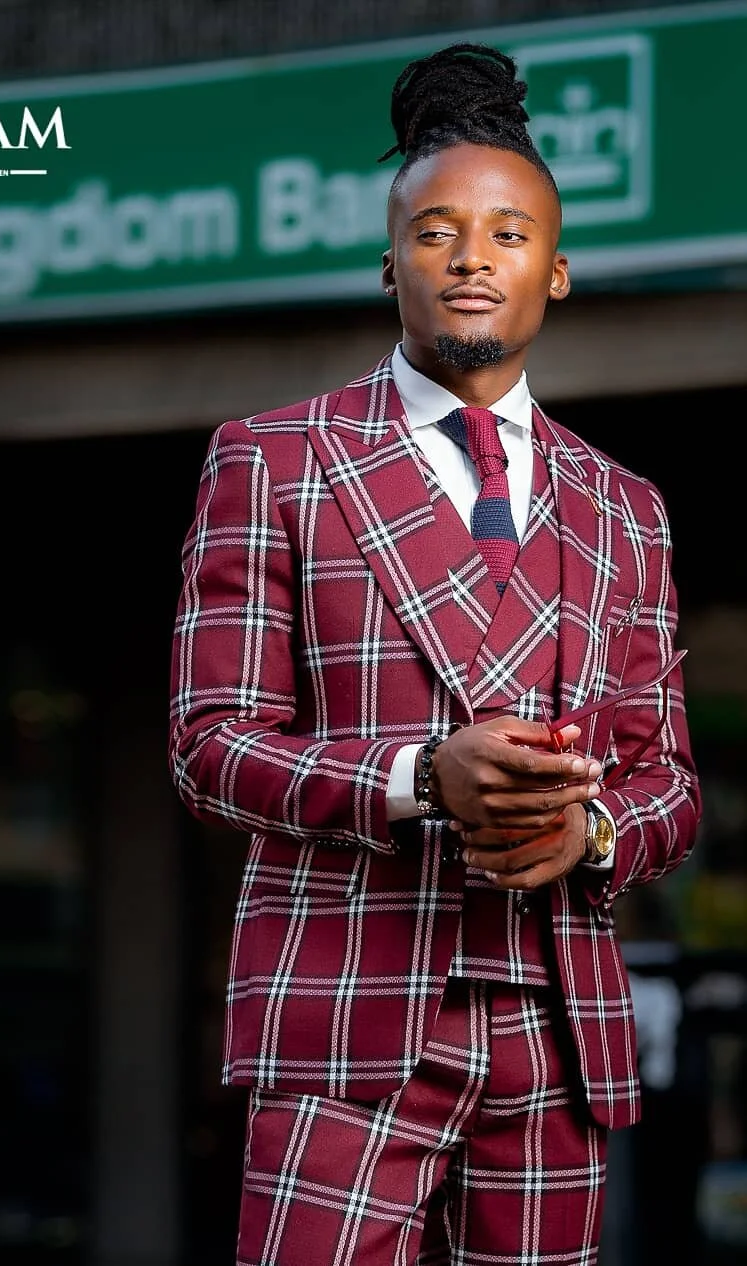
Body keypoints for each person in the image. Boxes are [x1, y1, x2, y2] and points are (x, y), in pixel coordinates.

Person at [167, 41, 702, 1266]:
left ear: (554, 272)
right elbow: (206, 749)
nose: (472, 258)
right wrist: (420, 778)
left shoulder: (626, 507)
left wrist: (595, 833)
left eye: (508, 235)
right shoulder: (276, 460)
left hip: (556, 1023)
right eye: (435, 232)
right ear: (387, 264)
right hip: (344, 1013)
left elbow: (664, 779)